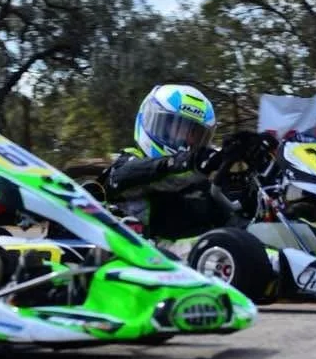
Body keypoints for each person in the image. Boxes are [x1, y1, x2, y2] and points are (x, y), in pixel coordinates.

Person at [103, 82, 277, 240]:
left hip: (207, 263)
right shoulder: (128, 164)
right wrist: (190, 162)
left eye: (195, 133)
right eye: (179, 129)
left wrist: (254, 167)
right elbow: (125, 178)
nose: (188, 140)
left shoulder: (201, 183)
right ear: (152, 121)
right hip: (146, 259)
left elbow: (237, 225)